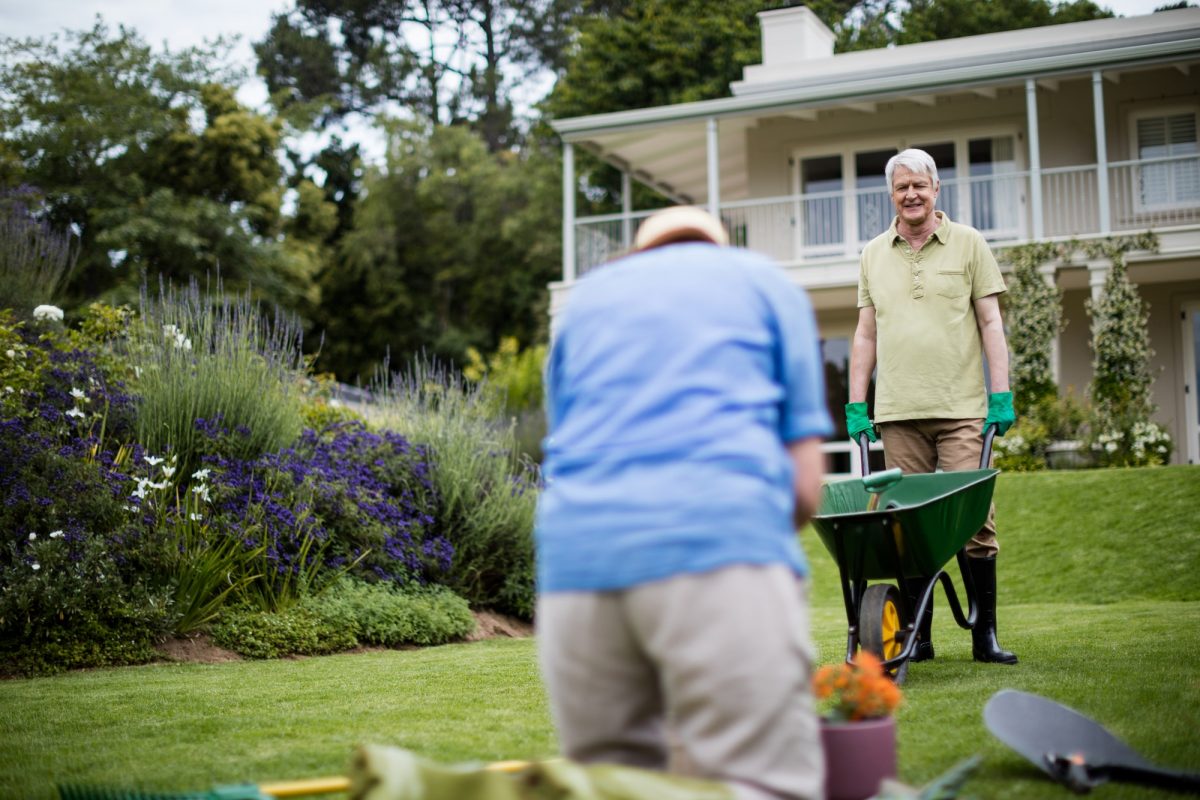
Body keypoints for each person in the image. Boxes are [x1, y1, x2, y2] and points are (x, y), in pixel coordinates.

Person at [536, 205, 833, 800]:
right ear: (716, 246)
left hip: (576, 565)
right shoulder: (764, 283)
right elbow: (805, 486)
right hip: (720, 541)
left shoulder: (586, 304)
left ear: (640, 253)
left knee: (613, 784)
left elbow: (567, 443)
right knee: (760, 777)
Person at [847, 148, 1018, 666]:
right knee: (906, 526)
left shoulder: (968, 244)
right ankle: (917, 639)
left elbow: (991, 323)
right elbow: (864, 333)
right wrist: (858, 404)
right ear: (892, 194)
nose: (911, 194)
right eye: (902, 187)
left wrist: (1000, 394)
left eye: (919, 185)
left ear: (936, 189)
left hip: (962, 408)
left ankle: (983, 636)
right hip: (898, 413)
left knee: (973, 522)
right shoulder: (874, 253)